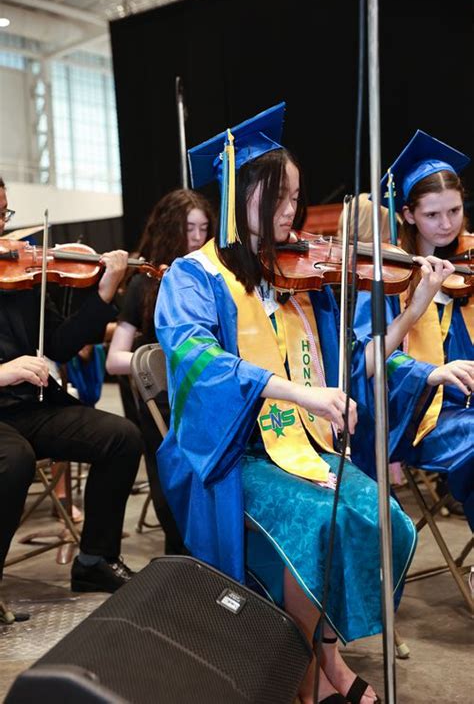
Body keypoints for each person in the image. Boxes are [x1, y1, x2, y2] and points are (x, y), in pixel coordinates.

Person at [154, 104, 465, 704]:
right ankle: (315, 677)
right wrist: (304, 395)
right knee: (315, 523)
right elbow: (200, 363)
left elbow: (360, 360)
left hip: (303, 443)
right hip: (227, 451)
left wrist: (417, 303)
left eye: (294, 199)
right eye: (276, 199)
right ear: (236, 195)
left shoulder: (296, 276)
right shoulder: (192, 277)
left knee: (375, 516)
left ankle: (319, 658)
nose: (290, 213)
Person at [0, 176, 144, 597]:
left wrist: (103, 294)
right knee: (15, 461)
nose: (2, 226)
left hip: (32, 405)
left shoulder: (21, 271)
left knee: (121, 437)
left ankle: (94, 561)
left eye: (3, 213)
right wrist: (5, 372)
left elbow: (60, 346)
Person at [353, 131, 474, 529]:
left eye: (454, 212)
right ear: (407, 214)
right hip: (417, 414)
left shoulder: (466, 266)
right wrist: (429, 373)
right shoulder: (385, 276)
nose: (446, 224)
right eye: (432, 215)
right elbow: (367, 361)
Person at [106, 188, 216, 554]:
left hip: (207, 400)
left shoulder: (214, 278)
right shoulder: (146, 282)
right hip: (164, 406)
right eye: (189, 229)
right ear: (171, 229)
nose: (197, 238)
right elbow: (115, 359)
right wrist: (163, 361)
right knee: (173, 492)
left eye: (203, 229)